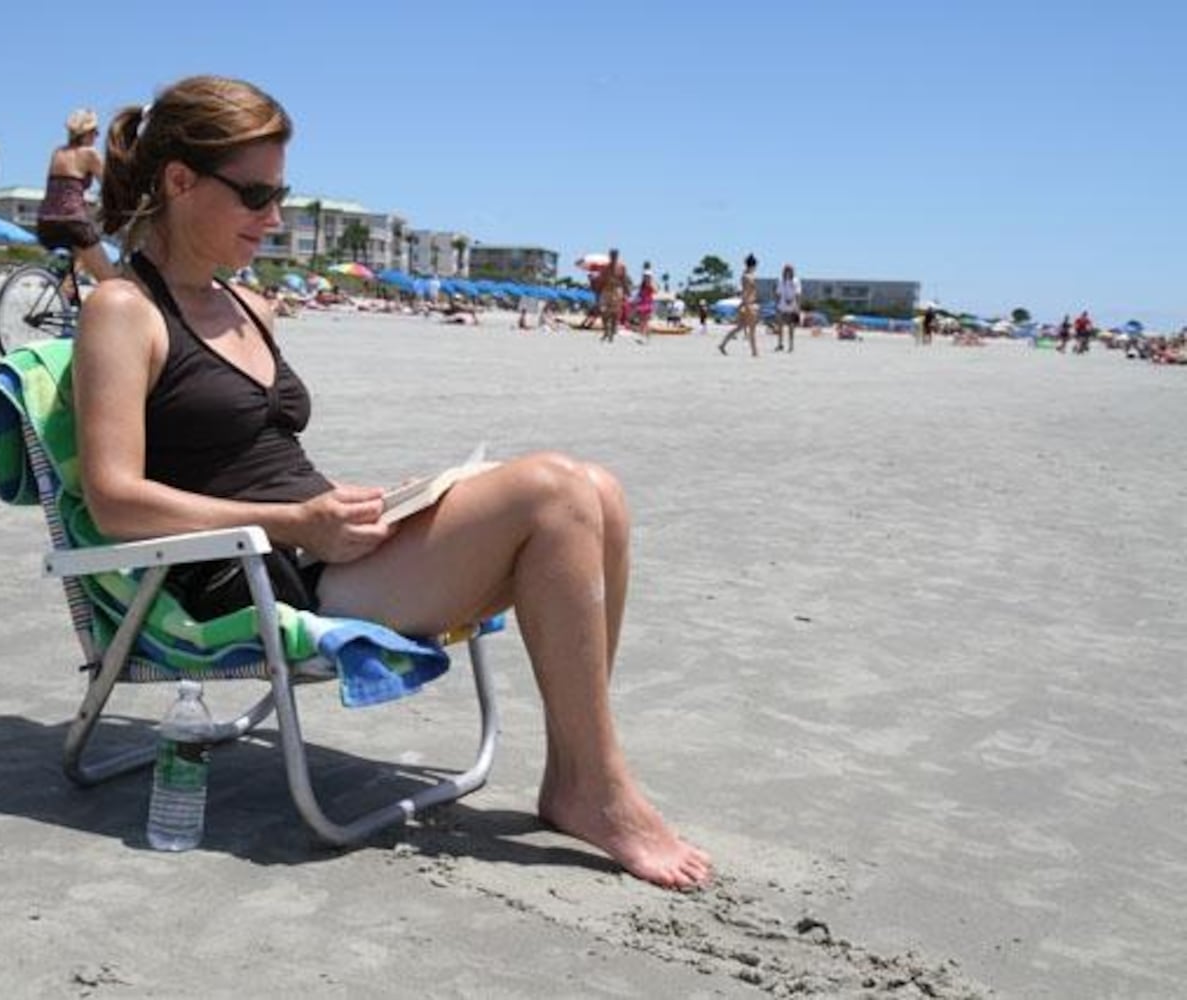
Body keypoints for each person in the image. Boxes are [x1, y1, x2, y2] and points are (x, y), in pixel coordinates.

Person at [73, 75, 712, 890]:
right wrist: (298, 522)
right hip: (252, 575)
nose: (274, 218)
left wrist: (371, 501)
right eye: (257, 194)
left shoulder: (247, 306)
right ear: (178, 182)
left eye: (282, 195)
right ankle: (599, 787)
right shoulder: (124, 310)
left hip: (315, 541)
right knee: (554, 489)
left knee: (600, 491)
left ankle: (575, 774)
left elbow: (257, 453)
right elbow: (113, 498)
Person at [37, 108, 115, 287]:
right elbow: (111, 187)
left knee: (74, 268)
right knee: (111, 282)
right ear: (87, 134)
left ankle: (69, 298)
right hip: (72, 223)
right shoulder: (89, 153)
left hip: (45, 224)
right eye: (95, 132)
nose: (97, 136)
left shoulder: (58, 152)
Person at [717, 254, 760, 357]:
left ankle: (723, 344)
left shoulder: (746, 275)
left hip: (746, 303)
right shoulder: (748, 276)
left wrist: (742, 304)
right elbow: (746, 292)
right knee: (751, 329)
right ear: (753, 265)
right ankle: (754, 352)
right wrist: (744, 304)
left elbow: (746, 292)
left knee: (740, 327)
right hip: (749, 304)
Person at [596, 248, 629, 343]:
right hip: (606, 290)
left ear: (618, 256)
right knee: (603, 311)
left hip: (617, 290)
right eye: (612, 255)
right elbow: (601, 280)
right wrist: (598, 292)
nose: (614, 256)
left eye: (615, 255)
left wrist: (627, 292)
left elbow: (624, 280)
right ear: (610, 256)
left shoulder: (621, 267)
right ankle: (606, 330)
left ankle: (612, 331)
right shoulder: (605, 267)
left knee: (615, 313)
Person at [773, 264, 801, 352]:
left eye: (790, 270)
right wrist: (776, 305)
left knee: (791, 327)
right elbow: (778, 294)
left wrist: (798, 307)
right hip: (782, 306)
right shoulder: (781, 281)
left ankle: (791, 345)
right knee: (780, 326)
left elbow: (798, 294)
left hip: (792, 306)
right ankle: (780, 344)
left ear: (792, 271)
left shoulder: (796, 281)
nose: (788, 271)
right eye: (786, 270)